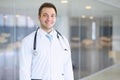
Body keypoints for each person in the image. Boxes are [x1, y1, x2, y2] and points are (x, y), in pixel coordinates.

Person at [19, 2, 74, 80]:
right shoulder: (28, 41)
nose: (49, 19)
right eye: (45, 15)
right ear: (39, 17)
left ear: (55, 18)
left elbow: (68, 68)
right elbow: (24, 71)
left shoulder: (63, 41)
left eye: (52, 16)